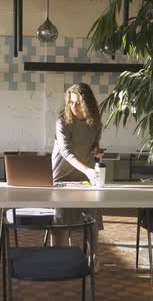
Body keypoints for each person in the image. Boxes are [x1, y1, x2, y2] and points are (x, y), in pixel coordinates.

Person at [51, 83, 104, 270]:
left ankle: (94, 258)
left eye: (78, 103)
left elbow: (93, 146)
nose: (73, 107)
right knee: (62, 218)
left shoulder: (95, 122)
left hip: (85, 178)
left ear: (87, 103)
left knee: (92, 217)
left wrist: (96, 152)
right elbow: (66, 152)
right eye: (71, 102)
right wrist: (88, 170)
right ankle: (57, 258)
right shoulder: (62, 121)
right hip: (62, 177)